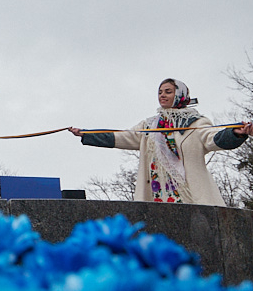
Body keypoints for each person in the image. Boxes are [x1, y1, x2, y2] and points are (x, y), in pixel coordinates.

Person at [70, 78, 252, 206]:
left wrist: (236, 133)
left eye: (168, 92)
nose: (162, 95)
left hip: (187, 190)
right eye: (160, 92)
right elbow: (122, 136)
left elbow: (214, 138)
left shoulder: (197, 123)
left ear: (180, 95)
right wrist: (87, 134)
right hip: (156, 189)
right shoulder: (150, 125)